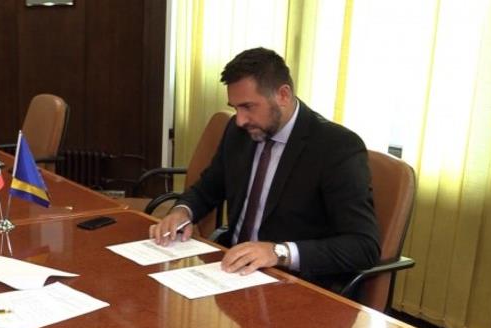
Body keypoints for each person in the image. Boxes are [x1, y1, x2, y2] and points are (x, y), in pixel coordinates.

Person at [150, 47, 380, 290]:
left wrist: (279, 252)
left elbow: (364, 246)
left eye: (248, 106)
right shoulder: (239, 131)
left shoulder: (335, 147)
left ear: (283, 95)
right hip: (229, 272)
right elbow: (209, 187)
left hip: (292, 283)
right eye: (235, 107)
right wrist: (182, 212)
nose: (240, 119)